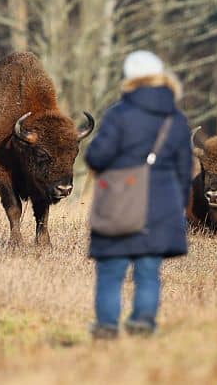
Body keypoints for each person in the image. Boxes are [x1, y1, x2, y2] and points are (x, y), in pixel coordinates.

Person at [85, 51, 193, 340]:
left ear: (130, 79)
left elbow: (97, 156)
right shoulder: (177, 119)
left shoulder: (119, 114)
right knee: (148, 271)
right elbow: (186, 171)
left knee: (111, 271)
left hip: (120, 203)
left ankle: (107, 326)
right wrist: (177, 205)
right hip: (163, 207)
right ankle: (144, 322)